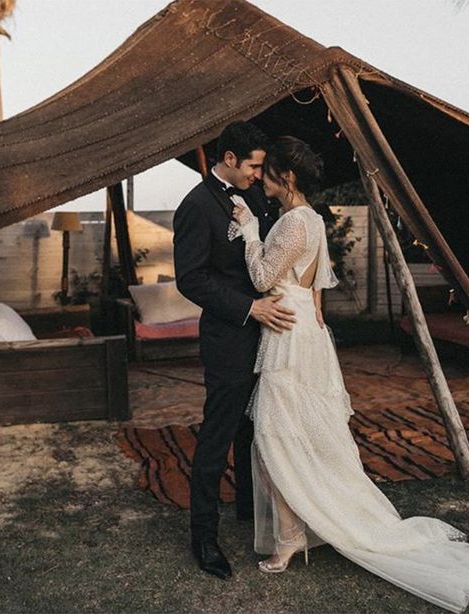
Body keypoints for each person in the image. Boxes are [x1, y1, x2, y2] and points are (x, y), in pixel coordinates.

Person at [232, 136, 469, 613]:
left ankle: (296, 535)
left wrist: (251, 230)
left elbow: (260, 279)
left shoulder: (295, 222)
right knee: (281, 435)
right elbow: (316, 289)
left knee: (277, 434)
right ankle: (294, 533)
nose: (263, 179)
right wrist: (310, 312)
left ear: (285, 178)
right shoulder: (309, 220)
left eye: (268, 172)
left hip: (291, 338)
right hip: (300, 328)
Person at [173, 121, 297, 580]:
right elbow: (192, 278)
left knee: (257, 428)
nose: (259, 174)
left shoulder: (260, 197)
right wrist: (250, 308)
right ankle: (203, 538)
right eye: (254, 165)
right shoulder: (196, 206)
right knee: (218, 435)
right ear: (229, 160)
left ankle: (249, 511)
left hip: (272, 340)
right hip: (230, 338)